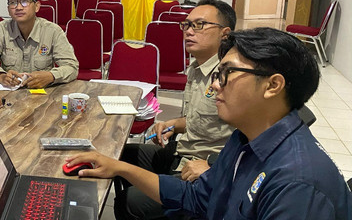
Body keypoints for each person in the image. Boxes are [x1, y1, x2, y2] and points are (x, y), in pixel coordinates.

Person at [67, 27, 352, 219]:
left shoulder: (297, 184)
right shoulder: (244, 139)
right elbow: (196, 197)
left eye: (227, 73)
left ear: (273, 85)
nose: (215, 85)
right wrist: (118, 166)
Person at [115, 0, 236, 219]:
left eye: (199, 25)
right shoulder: (197, 67)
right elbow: (200, 118)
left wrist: (214, 167)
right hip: (182, 152)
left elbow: (253, 138)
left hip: (204, 169)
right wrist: (172, 124)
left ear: (225, 33)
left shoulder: (233, 76)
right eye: (187, 25)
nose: (189, 31)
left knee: (131, 201)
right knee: (121, 156)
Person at [0, 0, 78, 89]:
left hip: (42, 94)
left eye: (24, 1)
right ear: (8, 9)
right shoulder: (0, 29)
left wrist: (51, 76)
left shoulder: (53, 31)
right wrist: (0, 75)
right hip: (10, 92)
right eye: (13, 2)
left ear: (37, 6)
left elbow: (71, 66)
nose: (19, 7)